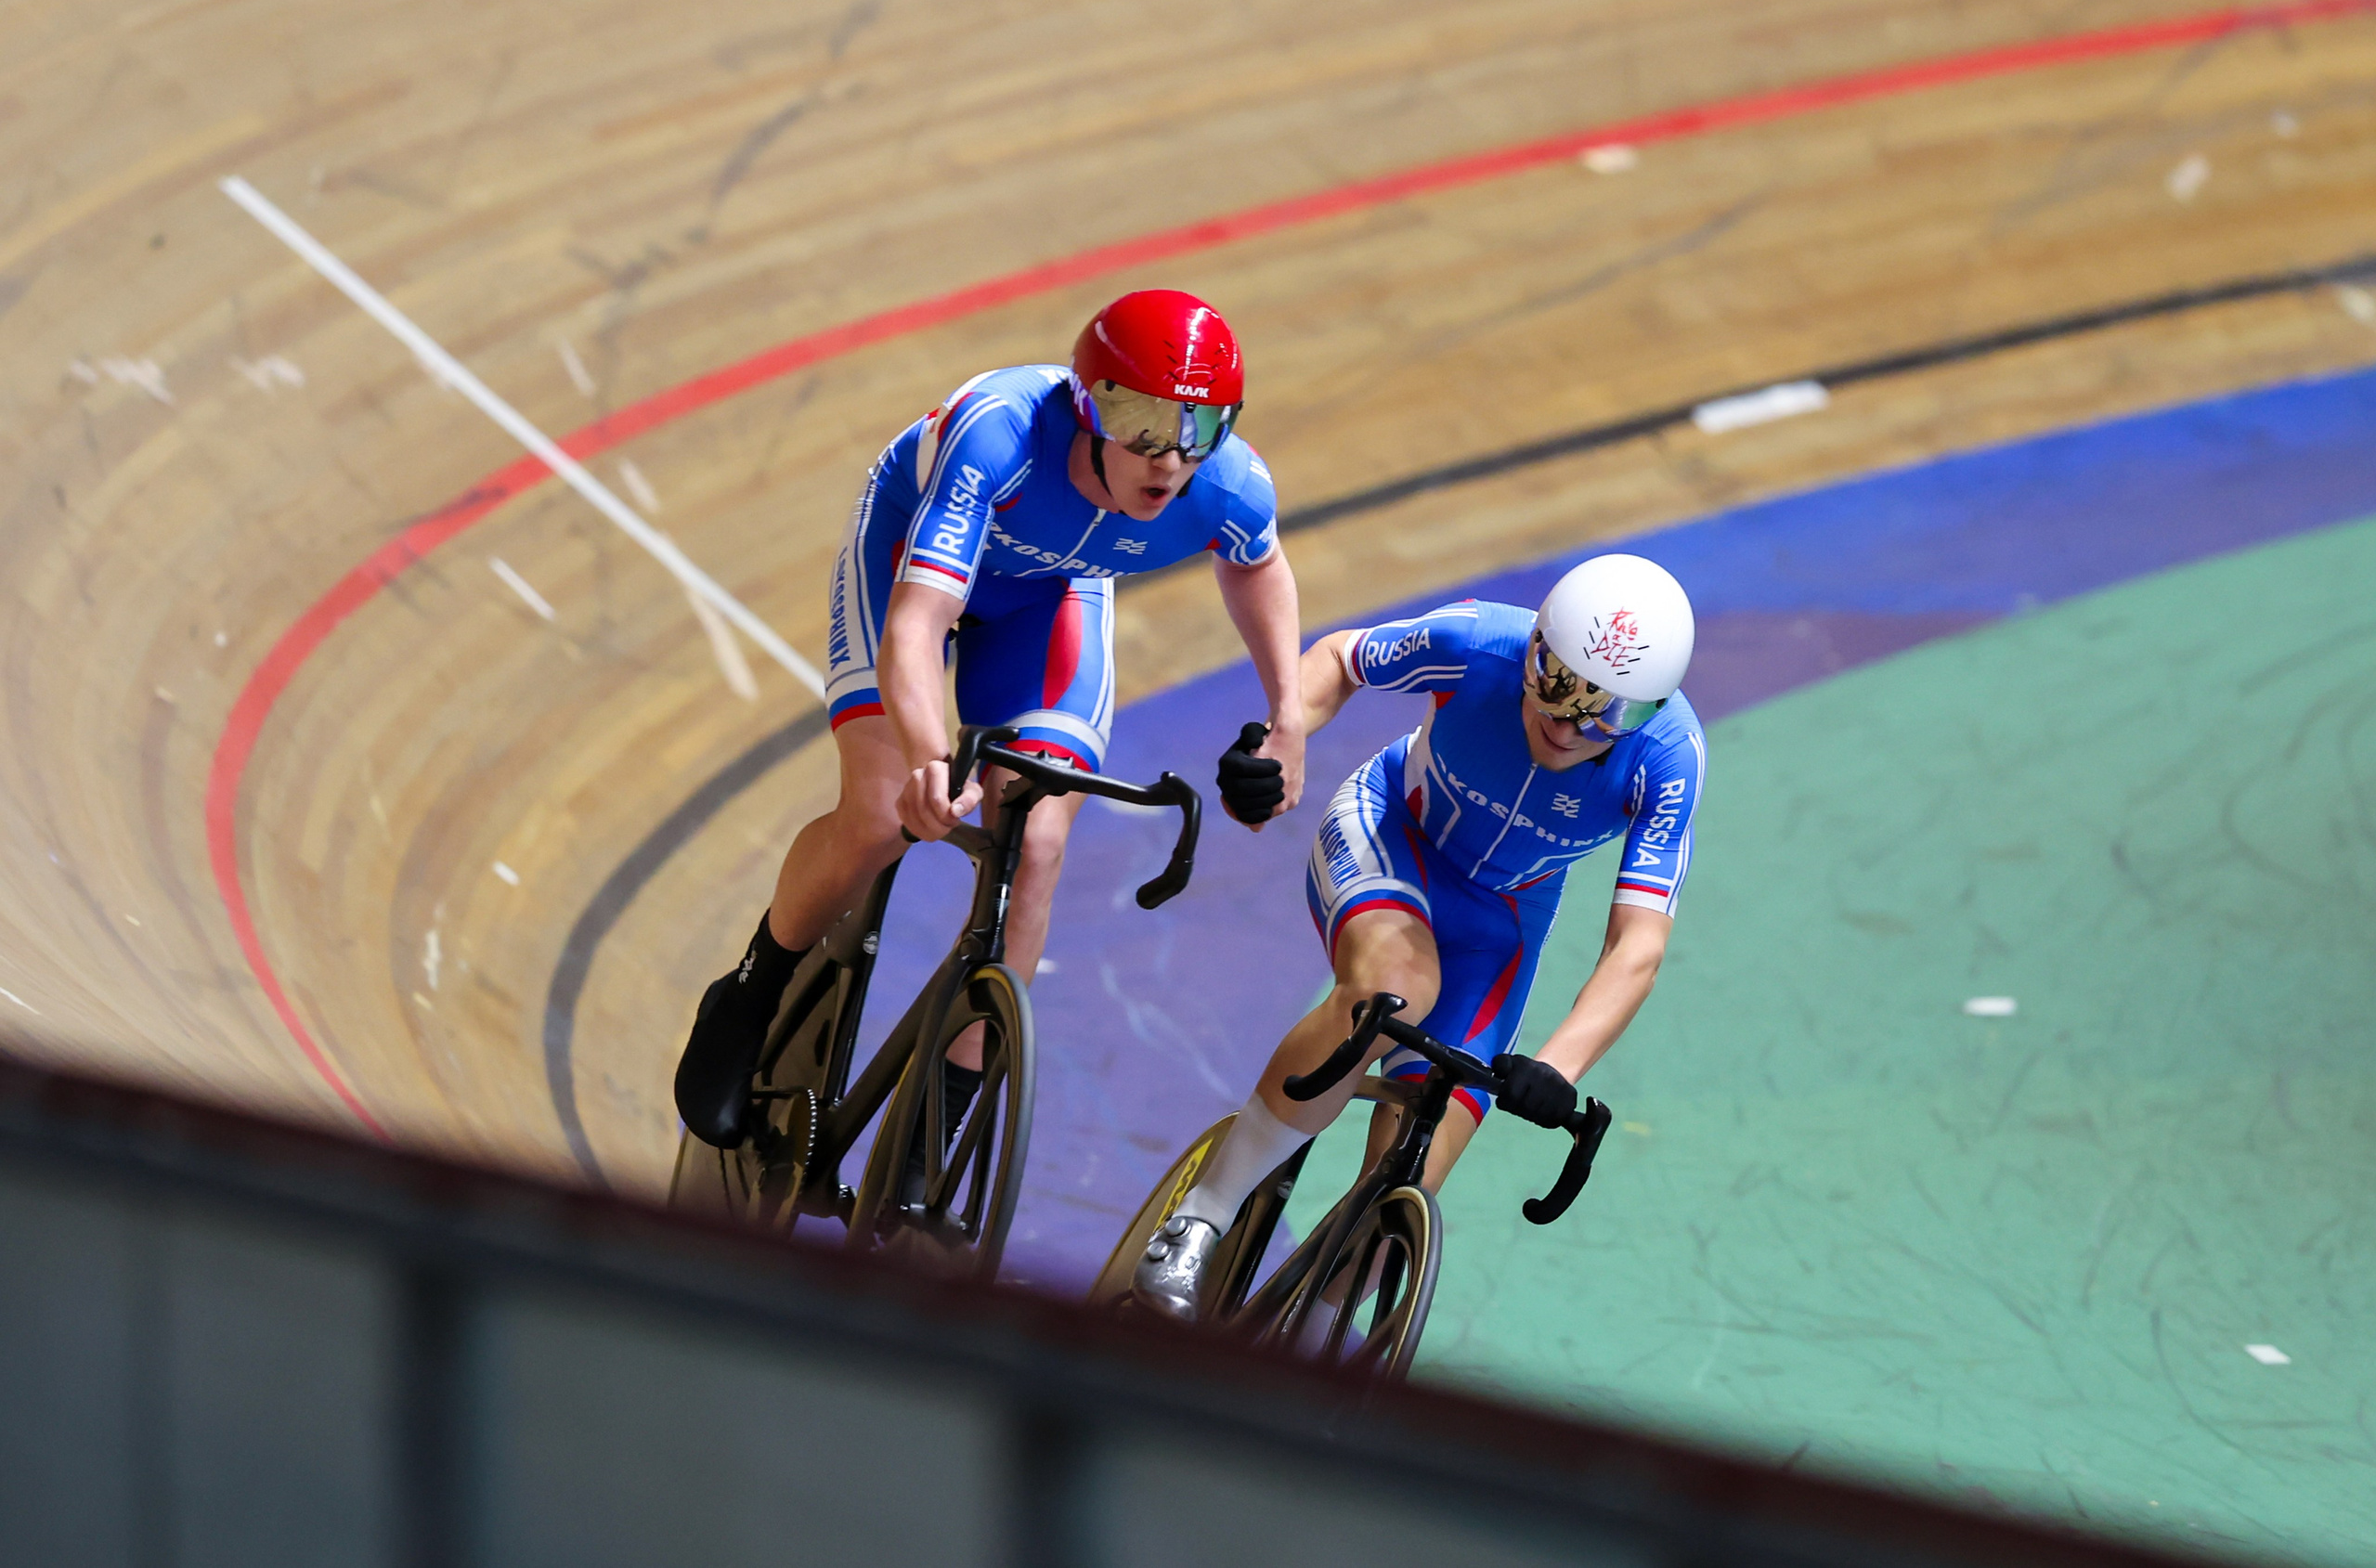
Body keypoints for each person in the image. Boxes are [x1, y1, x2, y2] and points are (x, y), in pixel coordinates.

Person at [674, 290, 1307, 1147]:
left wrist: (1288, 718)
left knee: (1038, 836)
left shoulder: (1227, 485)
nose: (1171, 458)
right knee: (881, 804)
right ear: (1089, 406)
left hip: (1051, 593)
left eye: (1200, 426)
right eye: (1145, 424)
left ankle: (948, 1109)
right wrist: (932, 758)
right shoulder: (1000, 436)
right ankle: (753, 986)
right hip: (913, 549)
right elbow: (918, 623)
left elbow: (1257, 568)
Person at [1132, 553, 1705, 1319]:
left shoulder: (1670, 759)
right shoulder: (1476, 645)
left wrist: (1555, 1066)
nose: (1571, 725)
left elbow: (1637, 944)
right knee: (1395, 989)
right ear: (1534, 650)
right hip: (1392, 835)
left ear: (1653, 707)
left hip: (1500, 923)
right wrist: (1278, 740)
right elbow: (1340, 658)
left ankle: (1308, 1340)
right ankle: (1201, 1214)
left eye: (1611, 712)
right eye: (1560, 686)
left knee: (1414, 1166)